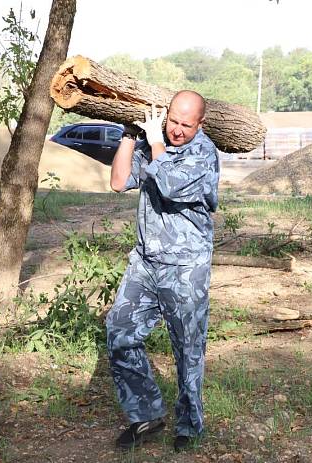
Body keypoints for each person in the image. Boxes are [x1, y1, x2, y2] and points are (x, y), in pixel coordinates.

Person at [105, 90, 219, 452]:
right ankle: (146, 415)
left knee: (188, 349)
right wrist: (128, 135)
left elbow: (168, 183)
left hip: (186, 267)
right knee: (119, 332)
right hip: (145, 262)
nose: (177, 131)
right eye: (173, 121)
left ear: (200, 124)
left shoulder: (204, 153)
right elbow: (120, 181)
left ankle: (189, 424)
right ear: (165, 114)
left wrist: (155, 142)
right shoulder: (153, 140)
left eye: (187, 125)